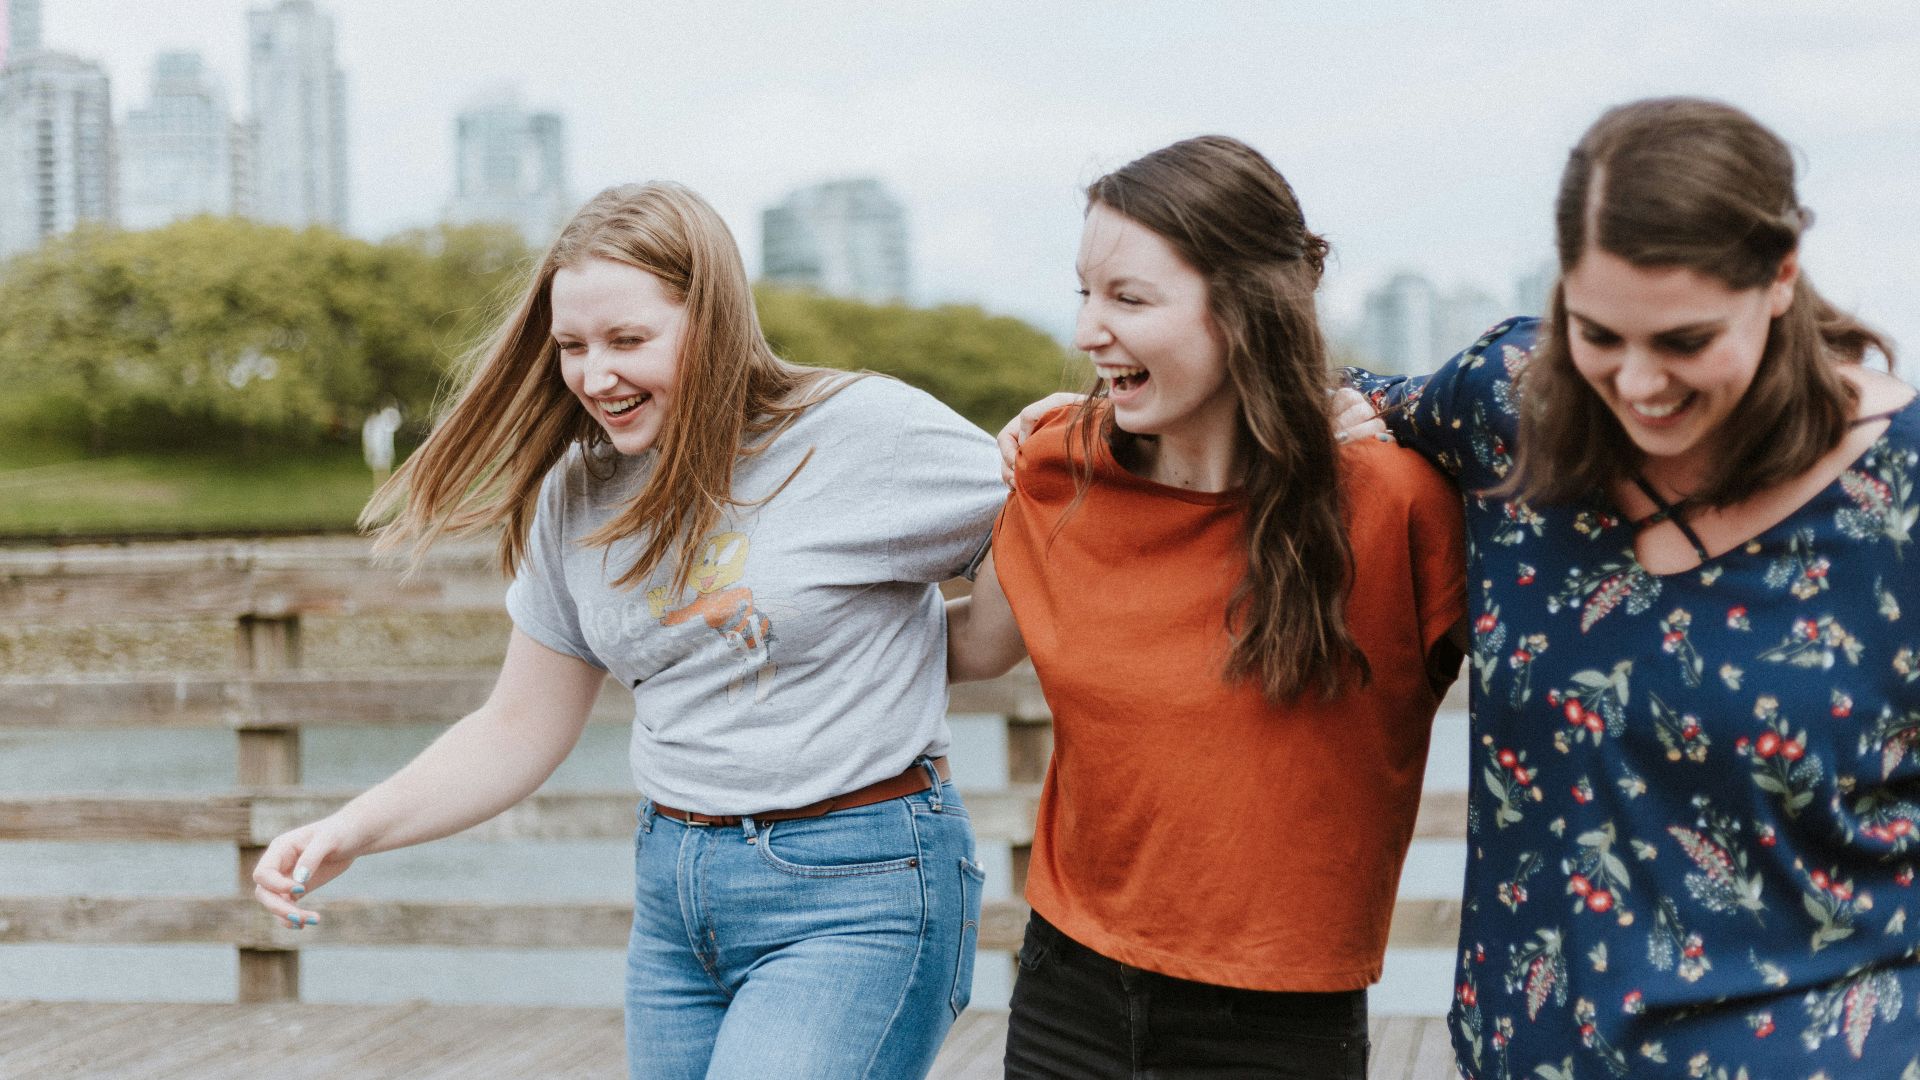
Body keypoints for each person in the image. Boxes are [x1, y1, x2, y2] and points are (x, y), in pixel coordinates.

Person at [249, 181, 1005, 1080]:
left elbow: (1051, 527)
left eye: (628, 341)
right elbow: (518, 726)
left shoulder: (859, 435)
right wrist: (352, 827)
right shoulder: (577, 492)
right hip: (677, 896)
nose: (594, 376)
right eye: (572, 346)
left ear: (713, 322)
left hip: (858, 889)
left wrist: (931, 641)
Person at [1340, 98, 1920, 1078]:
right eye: (1599, 333)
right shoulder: (1510, 401)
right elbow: (1341, 406)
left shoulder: (1900, 497)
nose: (1639, 383)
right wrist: (1080, 434)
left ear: (1780, 278)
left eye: (1686, 342)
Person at [947, 135, 1469, 1079]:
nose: (1086, 331)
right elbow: (972, 648)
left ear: (1244, 312)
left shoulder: (1397, 502)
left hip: (1279, 1025)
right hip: (1068, 989)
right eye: (1084, 292)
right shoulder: (1056, 466)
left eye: (1129, 300)